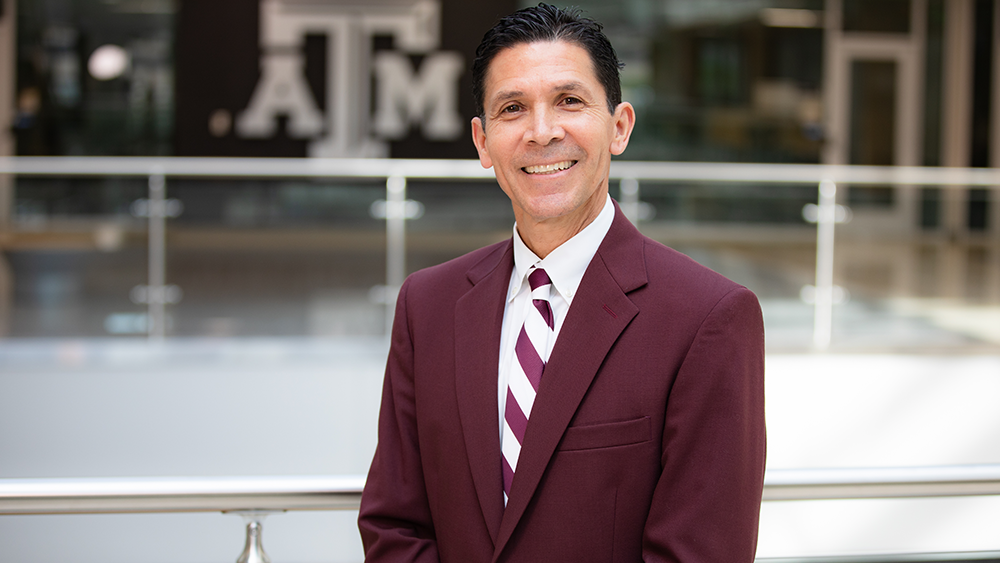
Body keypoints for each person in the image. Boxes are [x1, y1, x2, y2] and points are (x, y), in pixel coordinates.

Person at [358, 4, 766, 562]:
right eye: (513, 108)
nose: (542, 131)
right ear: (482, 142)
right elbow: (394, 526)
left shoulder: (708, 318)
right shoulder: (426, 306)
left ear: (618, 127)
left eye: (569, 101)